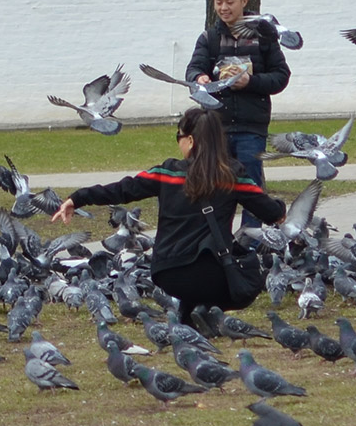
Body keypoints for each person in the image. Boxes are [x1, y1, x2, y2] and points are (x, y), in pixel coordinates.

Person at [53, 107, 285, 326]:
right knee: (245, 274)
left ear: (190, 140)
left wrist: (78, 198)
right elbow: (271, 212)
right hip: (212, 273)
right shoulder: (232, 176)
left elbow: (123, 189)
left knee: (193, 282)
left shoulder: (167, 172)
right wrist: (280, 209)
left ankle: (190, 318)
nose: (178, 141)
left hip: (166, 271)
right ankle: (204, 312)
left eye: (178, 136)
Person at [186, 0, 291, 225]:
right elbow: (192, 70)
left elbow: (281, 76)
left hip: (251, 129)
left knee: (251, 189)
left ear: (244, 1)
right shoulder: (209, 38)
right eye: (218, 2)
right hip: (215, 128)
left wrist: (250, 82)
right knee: (215, 189)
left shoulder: (264, 36)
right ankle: (218, 241)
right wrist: (200, 78)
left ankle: (251, 242)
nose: (224, 7)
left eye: (230, 1)